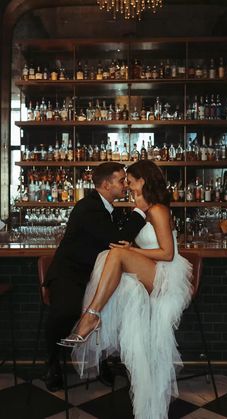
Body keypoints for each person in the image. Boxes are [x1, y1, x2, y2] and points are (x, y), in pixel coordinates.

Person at [60, 160, 193, 419]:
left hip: (166, 275)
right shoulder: (141, 209)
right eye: (123, 181)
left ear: (142, 180)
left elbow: (167, 253)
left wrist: (131, 250)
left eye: (129, 179)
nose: (127, 184)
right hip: (151, 271)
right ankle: (94, 316)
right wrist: (129, 243)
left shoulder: (158, 210)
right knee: (115, 256)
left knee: (119, 255)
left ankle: (91, 316)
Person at [43, 162, 148, 391]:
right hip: (69, 274)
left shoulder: (110, 208)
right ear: (106, 184)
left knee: (115, 305)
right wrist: (140, 210)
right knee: (67, 311)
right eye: (121, 181)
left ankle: (102, 361)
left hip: (93, 275)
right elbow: (118, 242)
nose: (125, 185)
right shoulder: (89, 207)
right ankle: (52, 364)